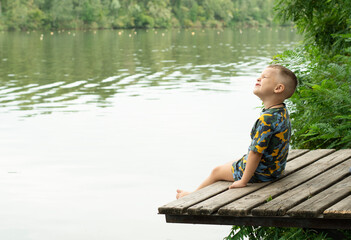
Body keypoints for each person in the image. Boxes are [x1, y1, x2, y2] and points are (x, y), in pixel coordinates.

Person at [176, 64, 298, 199]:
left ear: (278, 88)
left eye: (264, 77)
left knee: (216, 171)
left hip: (262, 173)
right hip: (274, 169)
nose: (258, 78)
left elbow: (256, 152)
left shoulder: (267, 119)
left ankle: (192, 196)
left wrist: (243, 181)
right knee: (230, 163)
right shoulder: (282, 112)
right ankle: (194, 193)